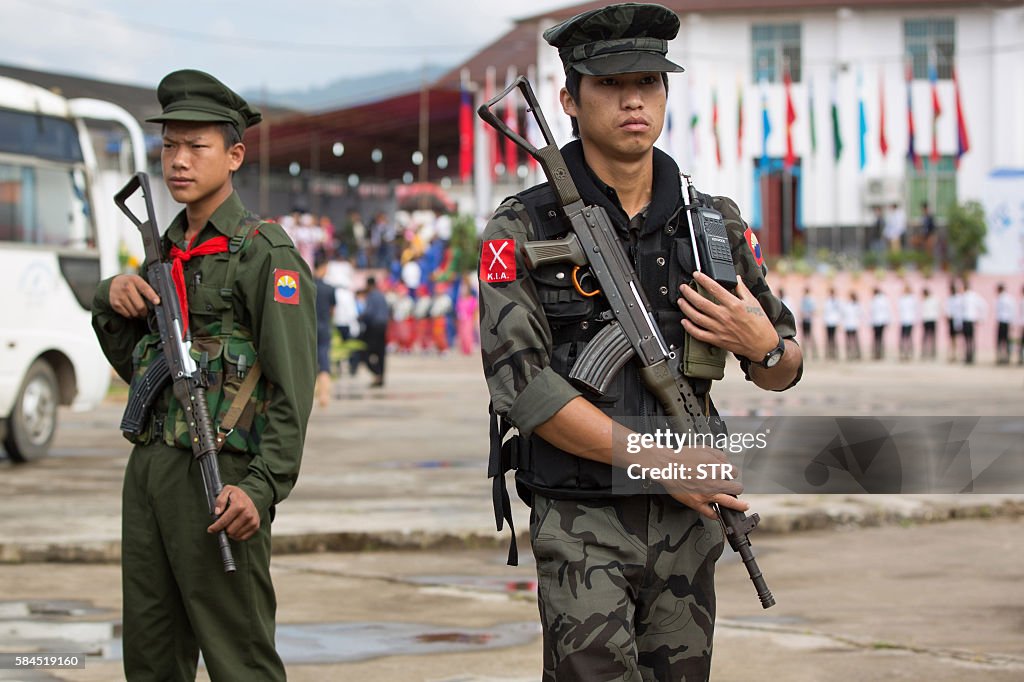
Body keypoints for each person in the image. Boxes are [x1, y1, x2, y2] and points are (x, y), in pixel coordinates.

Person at [477, 5, 803, 680]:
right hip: (582, 518)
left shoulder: (712, 222)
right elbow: (521, 387)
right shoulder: (521, 226)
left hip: (688, 527)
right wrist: (665, 462)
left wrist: (763, 344)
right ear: (568, 99)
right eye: (611, 83)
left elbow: (785, 369)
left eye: (650, 82)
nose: (634, 99)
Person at [90, 69, 316, 681]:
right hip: (151, 473)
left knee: (238, 658)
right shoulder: (162, 254)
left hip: (222, 481)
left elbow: (292, 392)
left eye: (197, 146)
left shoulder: (264, 254)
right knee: (151, 655)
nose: (179, 161)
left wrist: (262, 489)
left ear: (235, 154)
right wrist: (111, 299)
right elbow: (137, 367)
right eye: (169, 146)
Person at [313, 250, 337, 407]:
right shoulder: (329, 289)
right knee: (324, 362)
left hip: (309, 328)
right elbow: (333, 310)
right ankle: (324, 396)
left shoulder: (306, 285)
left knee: (310, 362)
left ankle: (312, 393)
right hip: (324, 326)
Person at [359, 276, 390, 387]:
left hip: (373, 327)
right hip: (383, 326)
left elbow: (369, 313)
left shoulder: (371, 296)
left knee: (365, 352)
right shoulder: (382, 295)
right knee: (381, 353)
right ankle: (381, 377)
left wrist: (360, 318)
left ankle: (376, 373)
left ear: (368, 285)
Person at [961, 277, 985, 365]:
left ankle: (971, 356)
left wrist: (981, 318)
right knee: (967, 339)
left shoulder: (973, 296)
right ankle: (968, 356)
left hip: (970, 320)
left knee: (970, 339)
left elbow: (983, 305)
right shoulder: (964, 296)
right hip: (966, 320)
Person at [869, 287, 891, 360]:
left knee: (877, 338)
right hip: (880, 321)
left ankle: (877, 353)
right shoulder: (883, 299)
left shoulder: (876, 300)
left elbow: (872, 312)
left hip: (877, 321)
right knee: (880, 338)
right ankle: (879, 353)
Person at [995, 283, 1013, 365]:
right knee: (1005, 340)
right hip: (1006, 321)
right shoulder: (1008, 298)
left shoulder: (1002, 298)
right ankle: (1005, 357)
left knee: (1001, 340)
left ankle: (1002, 357)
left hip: (1003, 321)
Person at [897, 284, 917, 361]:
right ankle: (902, 353)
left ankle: (909, 353)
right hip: (903, 320)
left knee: (909, 337)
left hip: (910, 320)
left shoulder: (912, 299)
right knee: (903, 338)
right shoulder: (902, 298)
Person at [920, 287, 939, 360]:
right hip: (926, 320)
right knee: (925, 337)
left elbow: (937, 309)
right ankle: (925, 352)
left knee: (932, 337)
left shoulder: (934, 299)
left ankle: (932, 352)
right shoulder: (924, 301)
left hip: (932, 319)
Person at [800, 286, 818, 360]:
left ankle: (813, 353)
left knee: (809, 336)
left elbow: (813, 310)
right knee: (807, 337)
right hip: (806, 320)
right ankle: (808, 353)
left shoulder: (810, 300)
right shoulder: (804, 300)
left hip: (808, 320)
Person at [823, 287, 842, 360]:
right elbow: (825, 312)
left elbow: (839, 312)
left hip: (834, 321)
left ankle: (834, 353)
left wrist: (838, 321)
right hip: (828, 321)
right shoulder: (827, 301)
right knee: (829, 338)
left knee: (834, 338)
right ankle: (829, 353)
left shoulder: (837, 301)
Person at [844, 291, 863, 360]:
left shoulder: (856, 305)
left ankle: (856, 354)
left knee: (854, 341)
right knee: (850, 341)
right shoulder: (848, 305)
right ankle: (850, 355)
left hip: (853, 324)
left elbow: (860, 315)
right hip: (849, 325)